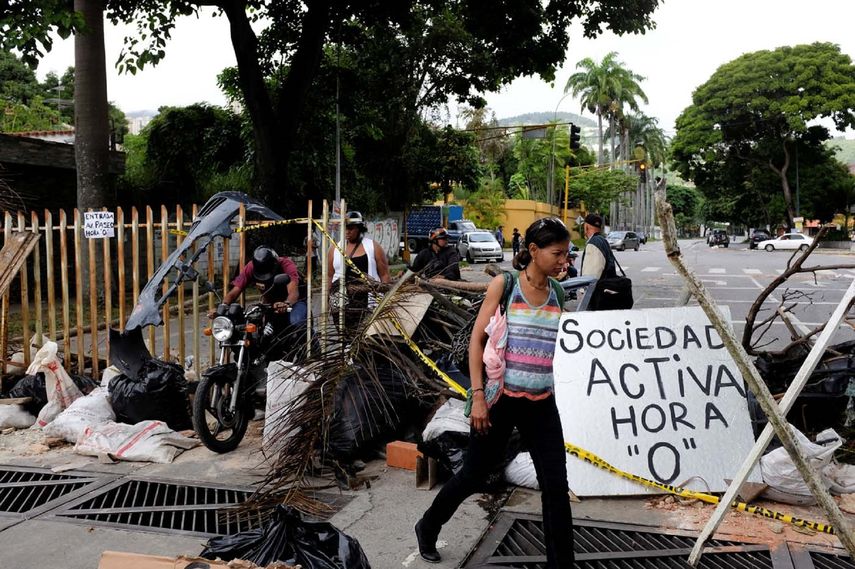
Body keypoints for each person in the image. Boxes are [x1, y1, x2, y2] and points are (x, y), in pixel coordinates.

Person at [415, 217, 574, 567]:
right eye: (558, 253)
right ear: (533, 250)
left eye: (567, 253)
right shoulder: (505, 285)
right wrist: (478, 398)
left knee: (556, 486)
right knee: (474, 474)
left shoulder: (559, 294)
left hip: (542, 404)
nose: (564, 261)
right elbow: (477, 341)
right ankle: (427, 526)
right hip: (499, 400)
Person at [212, 245, 306, 328]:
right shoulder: (250, 267)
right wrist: (222, 307)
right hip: (270, 304)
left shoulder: (286, 265)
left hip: (295, 302)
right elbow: (234, 292)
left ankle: (312, 343)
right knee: (259, 327)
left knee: (297, 321)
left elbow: (293, 291)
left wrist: (287, 303)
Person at [327, 211, 391, 326]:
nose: (347, 231)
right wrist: (328, 299)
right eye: (345, 228)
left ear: (360, 228)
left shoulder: (373, 247)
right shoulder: (335, 249)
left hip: (367, 299)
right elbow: (329, 276)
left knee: (365, 335)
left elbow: (384, 275)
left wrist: (384, 297)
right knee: (344, 335)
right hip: (340, 300)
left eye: (351, 228)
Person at [579, 213, 615, 281]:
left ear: (586, 226)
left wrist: (582, 291)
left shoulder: (593, 244)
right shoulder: (603, 240)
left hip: (598, 290)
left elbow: (589, 279)